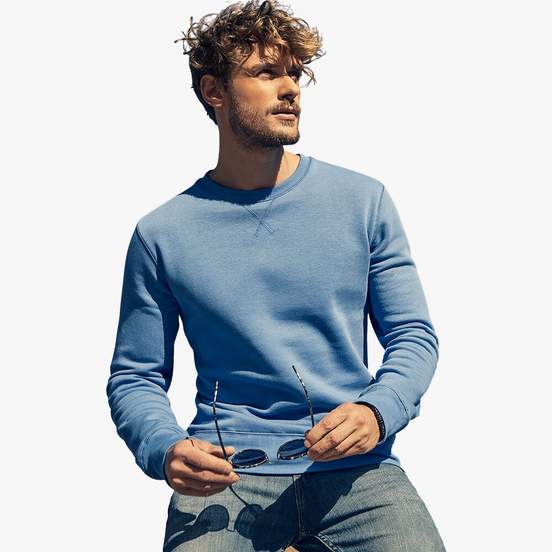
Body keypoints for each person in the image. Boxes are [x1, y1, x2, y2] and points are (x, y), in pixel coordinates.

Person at [106, 1, 446, 550]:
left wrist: (377, 411)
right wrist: (164, 447)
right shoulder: (162, 233)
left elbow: (413, 337)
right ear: (214, 91)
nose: (290, 89)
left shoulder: (363, 201)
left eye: (294, 73)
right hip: (228, 470)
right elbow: (135, 375)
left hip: (357, 468)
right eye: (266, 72)